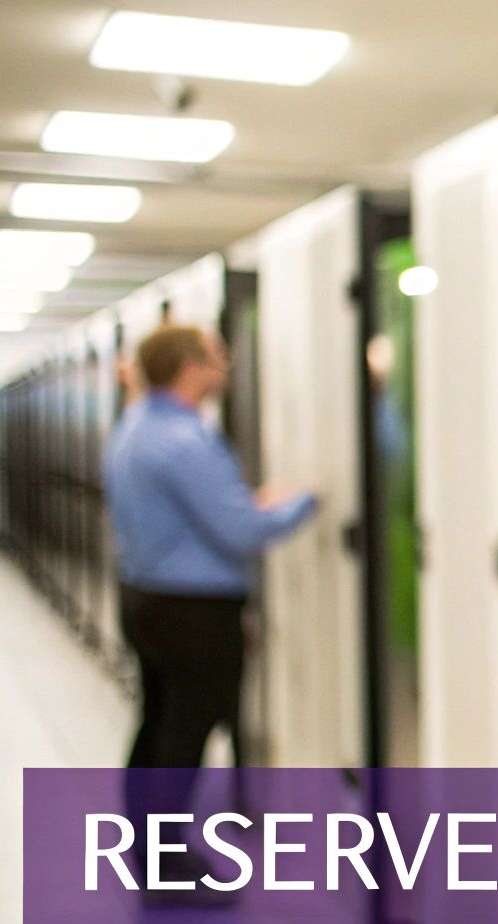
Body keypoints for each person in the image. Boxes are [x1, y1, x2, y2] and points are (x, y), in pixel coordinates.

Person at [103, 323, 316, 883]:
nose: (226, 365)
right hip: (193, 612)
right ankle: (167, 864)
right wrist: (308, 501)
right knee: (185, 733)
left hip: (144, 598)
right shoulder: (186, 440)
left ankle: (144, 850)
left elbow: (194, 516)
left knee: (156, 724)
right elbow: (241, 532)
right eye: (218, 356)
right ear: (191, 366)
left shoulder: (134, 427)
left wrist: (242, 507)